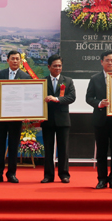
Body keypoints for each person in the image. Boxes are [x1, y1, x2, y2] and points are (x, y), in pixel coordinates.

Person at [0, 50, 31, 184]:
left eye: (17, 59)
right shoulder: (0, 74)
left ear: (21, 61)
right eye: (12, 58)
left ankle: (12, 174)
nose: (15, 61)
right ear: (7, 60)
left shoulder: (25, 77)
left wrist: (27, 113)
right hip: (1, 115)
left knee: (13, 146)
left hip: (16, 116)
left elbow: (28, 97)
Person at [85, 51, 112, 189]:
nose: (110, 63)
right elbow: (89, 98)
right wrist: (99, 103)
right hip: (100, 120)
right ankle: (101, 179)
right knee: (101, 152)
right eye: (107, 60)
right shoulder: (95, 79)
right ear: (101, 62)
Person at [40, 54, 76, 184]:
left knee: (63, 149)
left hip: (63, 120)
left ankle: (64, 175)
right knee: (48, 149)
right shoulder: (43, 82)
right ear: (49, 67)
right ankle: (48, 175)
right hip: (47, 119)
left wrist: (56, 99)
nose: (58, 68)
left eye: (60, 66)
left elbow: (71, 97)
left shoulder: (68, 81)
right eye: (55, 66)